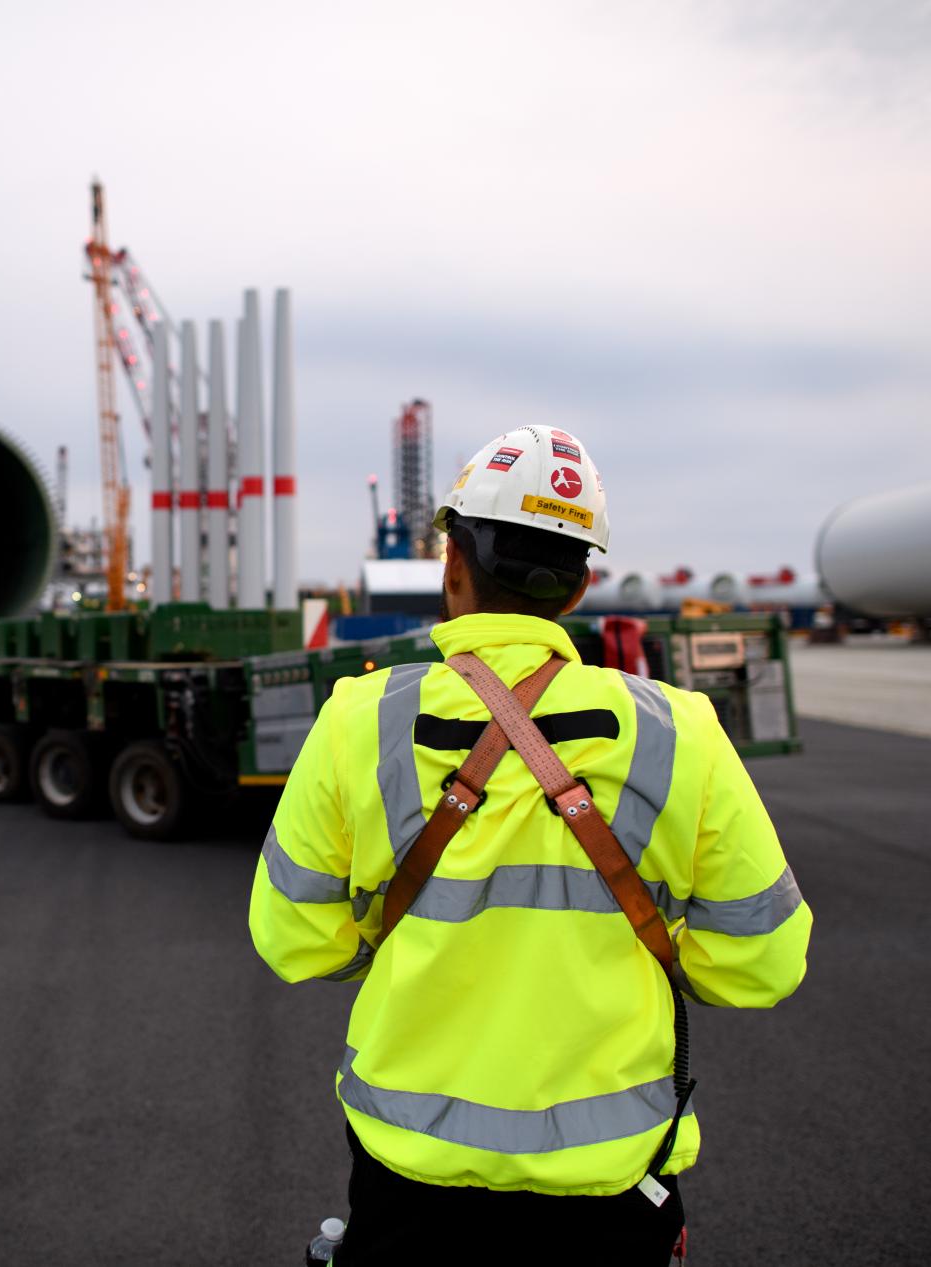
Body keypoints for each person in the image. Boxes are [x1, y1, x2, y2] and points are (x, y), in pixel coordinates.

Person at [249, 426, 811, 1262]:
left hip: (409, 1183)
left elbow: (293, 941)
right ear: (580, 585)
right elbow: (761, 962)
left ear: (453, 564)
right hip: (612, 1193)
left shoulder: (356, 721)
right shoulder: (681, 731)